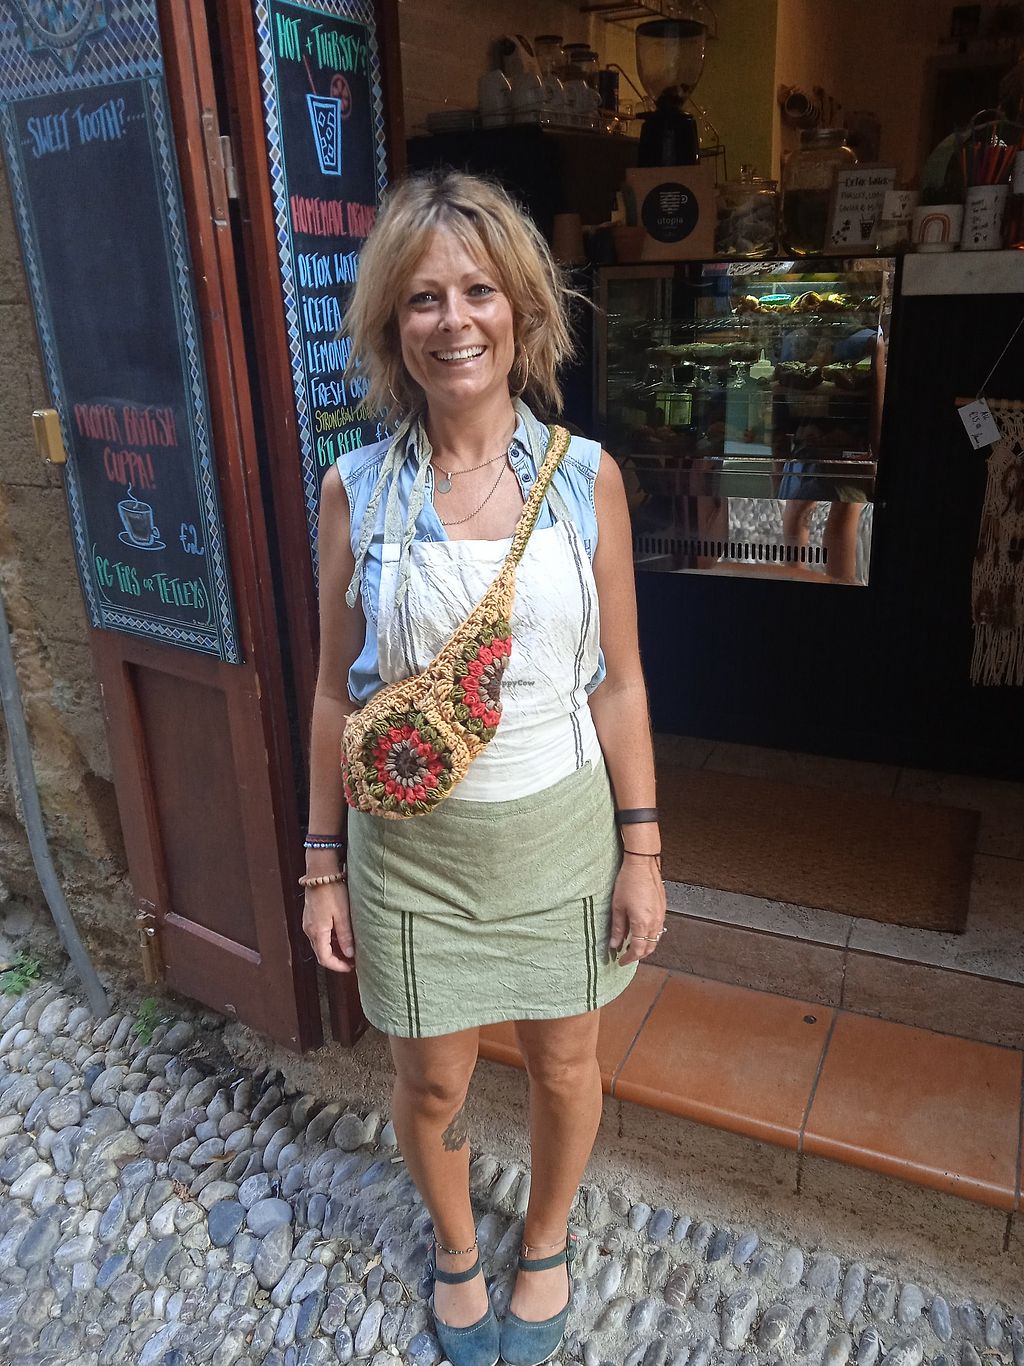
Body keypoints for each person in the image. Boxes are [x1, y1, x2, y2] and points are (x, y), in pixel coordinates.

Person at [302, 169, 666, 1366]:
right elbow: (332, 690)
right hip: (412, 855)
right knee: (431, 1086)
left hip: (559, 838)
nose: (452, 320)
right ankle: (457, 1246)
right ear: (391, 327)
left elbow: (619, 682)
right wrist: (320, 866)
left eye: (477, 291)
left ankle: (545, 1239)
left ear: (520, 310)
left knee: (566, 1064)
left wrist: (642, 851)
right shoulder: (355, 490)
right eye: (422, 298)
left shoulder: (585, 479)